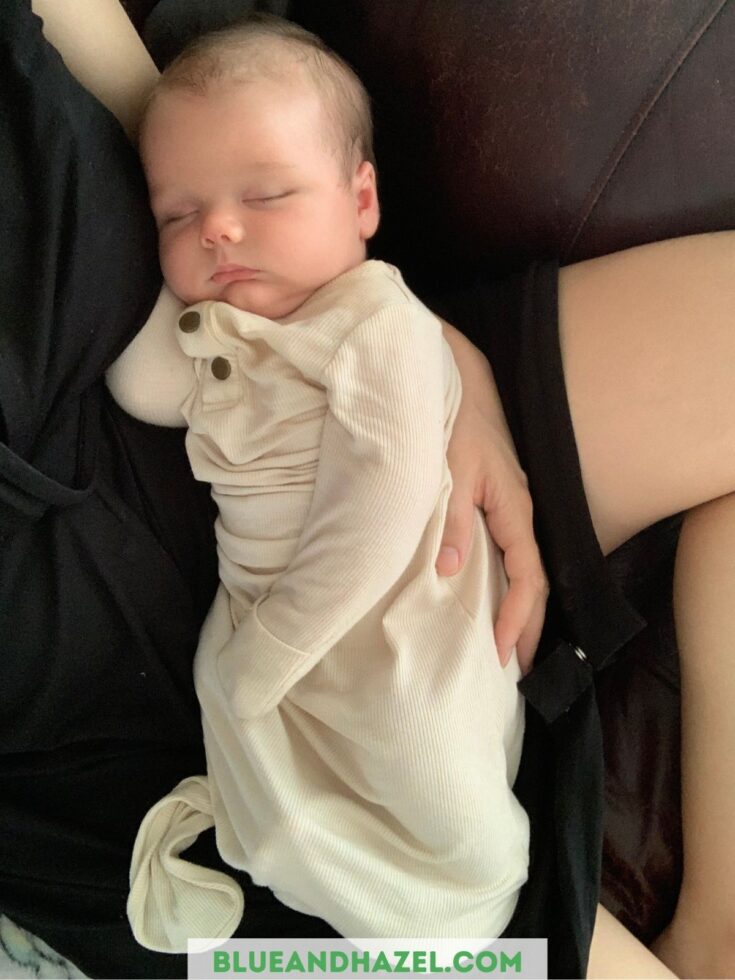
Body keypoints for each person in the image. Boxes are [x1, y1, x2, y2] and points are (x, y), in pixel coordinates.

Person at [2, 1, 734, 978]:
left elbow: (205, 125)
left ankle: (719, 922)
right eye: (183, 214)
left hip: (321, 373)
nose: (209, 221)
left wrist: (428, 357)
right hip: (134, 728)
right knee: (439, 899)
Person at [106, 15, 530, 949]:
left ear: (362, 199)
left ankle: (462, 905)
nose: (217, 227)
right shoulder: (227, 333)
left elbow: (380, 509)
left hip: (390, 611)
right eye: (179, 214)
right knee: (277, 787)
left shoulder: (374, 322)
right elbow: (143, 383)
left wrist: (264, 657)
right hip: (267, 607)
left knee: (423, 753)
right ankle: (356, 905)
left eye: (266, 193)